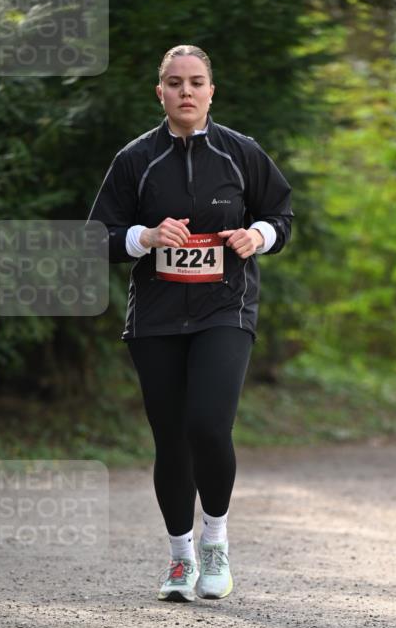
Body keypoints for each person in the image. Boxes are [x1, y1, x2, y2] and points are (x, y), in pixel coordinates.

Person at [89, 45, 293, 600]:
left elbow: (282, 215)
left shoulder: (240, 153)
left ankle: (216, 542)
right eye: (175, 83)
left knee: (208, 425)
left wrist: (259, 236)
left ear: (211, 91)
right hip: (156, 316)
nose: (186, 91)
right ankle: (180, 558)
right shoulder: (136, 159)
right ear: (160, 92)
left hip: (224, 309)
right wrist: (146, 237)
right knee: (172, 440)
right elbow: (97, 236)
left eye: (196, 82)